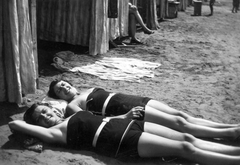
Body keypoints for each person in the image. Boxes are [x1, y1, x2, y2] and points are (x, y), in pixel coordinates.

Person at [8, 103, 240, 165]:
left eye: (46, 111)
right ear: (39, 125)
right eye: (41, 117)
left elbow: (105, 119)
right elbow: (16, 125)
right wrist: (33, 125)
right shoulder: (56, 133)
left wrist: (127, 116)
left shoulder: (71, 115)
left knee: (188, 138)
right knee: (186, 149)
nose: (47, 116)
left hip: (127, 125)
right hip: (119, 141)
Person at [46, 79, 240, 140]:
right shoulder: (73, 105)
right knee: (179, 123)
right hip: (121, 107)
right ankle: (231, 133)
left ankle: (228, 127)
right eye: (59, 90)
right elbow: (90, 119)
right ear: (59, 97)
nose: (64, 88)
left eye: (63, 84)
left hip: (131, 98)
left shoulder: (88, 88)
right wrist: (124, 116)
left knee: (180, 115)